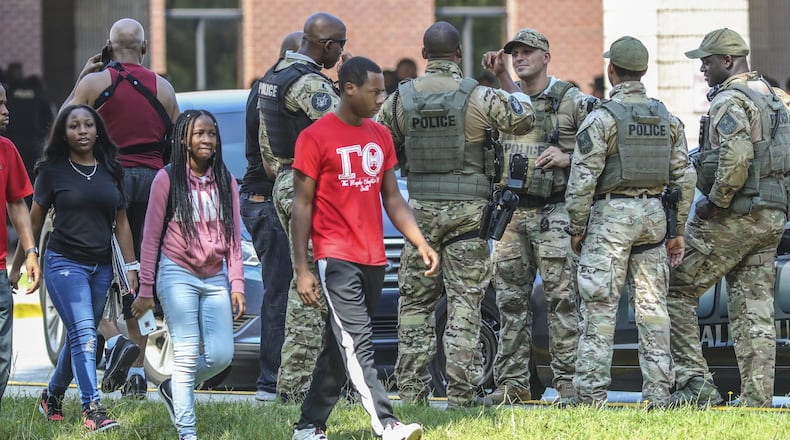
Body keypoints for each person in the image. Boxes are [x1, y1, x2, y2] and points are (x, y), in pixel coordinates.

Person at [377, 21, 536, 408]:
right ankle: (462, 395)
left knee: (415, 305)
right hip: (468, 217)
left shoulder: (400, 99)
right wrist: (504, 77)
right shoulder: (479, 96)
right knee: (465, 305)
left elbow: (381, 145)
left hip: (419, 218)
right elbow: (525, 117)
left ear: (424, 54)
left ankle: (412, 393)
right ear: (459, 55)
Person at [290, 55, 435, 440]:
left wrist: (419, 241)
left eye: (383, 91)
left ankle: (307, 426)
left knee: (342, 347)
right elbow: (300, 207)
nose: (381, 99)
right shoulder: (314, 137)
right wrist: (302, 269)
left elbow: (392, 197)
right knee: (359, 341)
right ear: (348, 89)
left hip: (372, 256)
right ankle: (386, 423)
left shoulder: (380, 135)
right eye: (375, 91)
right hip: (335, 256)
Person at [563, 36, 696, 408]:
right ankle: (659, 396)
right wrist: (677, 229)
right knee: (654, 310)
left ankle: (590, 396)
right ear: (645, 71)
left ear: (611, 70)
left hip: (611, 219)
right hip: (654, 216)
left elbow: (582, 179)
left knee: (599, 307)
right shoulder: (664, 117)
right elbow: (685, 176)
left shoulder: (602, 118)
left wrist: (576, 227)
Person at [669, 28, 790, 408]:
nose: (702, 68)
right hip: (772, 216)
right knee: (753, 307)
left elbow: (736, 159)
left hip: (735, 215)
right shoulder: (777, 98)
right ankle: (756, 399)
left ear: (727, 61)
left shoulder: (730, 100)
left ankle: (697, 387)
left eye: (706, 61)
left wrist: (715, 203)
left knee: (674, 289)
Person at [62, 17, 180, 399]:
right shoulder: (164, 88)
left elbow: (63, 125)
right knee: (140, 280)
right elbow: (175, 144)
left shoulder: (94, 83)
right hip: (153, 184)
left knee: (85, 269)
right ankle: (137, 374)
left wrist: (81, 77)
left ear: (109, 49)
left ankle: (113, 341)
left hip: (105, 181)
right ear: (144, 49)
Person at [479, 28, 597, 404]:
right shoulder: (503, 100)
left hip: (555, 213)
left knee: (563, 301)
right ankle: (513, 384)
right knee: (510, 303)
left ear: (546, 57)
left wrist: (569, 158)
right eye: (514, 52)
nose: (519, 58)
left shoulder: (571, 101)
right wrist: (500, 75)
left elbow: (608, 148)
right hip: (512, 215)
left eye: (528, 52)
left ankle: (568, 383)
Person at [17, 104, 138, 431]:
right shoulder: (53, 171)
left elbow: (122, 221)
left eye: (88, 125)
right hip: (63, 262)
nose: (82, 130)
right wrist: (23, 260)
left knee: (79, 337)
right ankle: (92, 408)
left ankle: (52, 397)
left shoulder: (111, 169)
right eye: (74, 126)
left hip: (101, 268)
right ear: (63, 133)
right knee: (85, 333)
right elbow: (33, 220)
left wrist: (131, 266)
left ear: (98, 130)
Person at [131, 109, 245, 440]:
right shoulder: (167, 179)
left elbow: (234, 236)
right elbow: (150, 237)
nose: (207, 139)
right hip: (176, 271)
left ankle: (172, 387)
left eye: (211, 133)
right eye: (199, 134)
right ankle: (187, 431)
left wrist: (236, 283)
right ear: (185, 140)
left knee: (222, 355)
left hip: (213, 277)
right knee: (186, 350)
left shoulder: (226, 180)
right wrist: (146, 289)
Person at [258, 11, 345, 402]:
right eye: (340, 46)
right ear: (327, 45)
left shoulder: (274, 77)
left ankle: (307, 387)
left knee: (308, 285)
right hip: (307, 189)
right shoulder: (309, 83)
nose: (341, 54)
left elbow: (267, 150)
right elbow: (347, 129)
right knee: (308, 292)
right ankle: (293, 392)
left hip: (286, 182)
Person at [243, 30, 302, 402]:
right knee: (280, 291)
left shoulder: (266, 88)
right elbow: (270, 162)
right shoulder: (273, 92)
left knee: (288, 291)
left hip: (264, 199)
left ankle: (288, 380)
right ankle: (270, 384)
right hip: (267, 200)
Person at [0, 83, 41, 412]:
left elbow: (17, 203)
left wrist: (29, 251)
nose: (6, 111)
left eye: (5, 103)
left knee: (2, 358)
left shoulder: (7, 150)